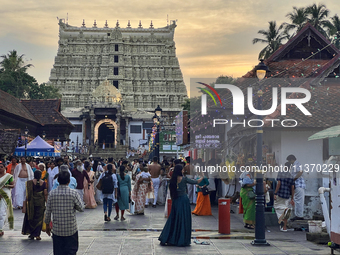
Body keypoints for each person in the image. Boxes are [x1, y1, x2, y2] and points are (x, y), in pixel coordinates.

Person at [158, 164, 203, 247]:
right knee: (183, 219)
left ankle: (168, 238)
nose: (183, 171)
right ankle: (181, 239)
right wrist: (203, 176)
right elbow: (196, 182)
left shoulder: (172, 180)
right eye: (182, 170)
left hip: (176, 200)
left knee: (173, 219)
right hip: (183, 200)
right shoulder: (184, 179)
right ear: (180, 170)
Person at [45, 171, 84, 255]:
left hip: (57, 229)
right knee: (71, 252)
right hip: (71, 229)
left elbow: (47, 212)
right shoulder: (74, 193)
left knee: (58, 252)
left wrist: (47, 225)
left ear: (58, 181)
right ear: (69, 181)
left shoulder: (52, 194)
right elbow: (81, 208)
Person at [22, 170, 48, 240]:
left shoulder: (29, 183)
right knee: (39, 219)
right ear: (40, 176)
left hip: (31, 203)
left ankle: (31, 234)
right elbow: (45, 194)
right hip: (40, 203)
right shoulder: (44, 183)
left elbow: (26, 195)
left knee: (31, 218)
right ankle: (37, 234)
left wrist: (24, 204)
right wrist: (47, 203)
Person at [274, 162, 295, 231]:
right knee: (284, 209)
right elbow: (292, 188)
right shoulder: (291, 176)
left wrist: (275, 193)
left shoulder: (281, 173)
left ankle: (284, 211)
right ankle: (284, 227)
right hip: (287, 195)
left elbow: (279, 183)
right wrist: (292, 198)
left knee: (277, 207)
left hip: (280, 193)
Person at [287, 155, 305, 221]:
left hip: (299, 185)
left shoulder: (296, 164)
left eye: (289, 161)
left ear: (292, 159)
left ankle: (299, 216)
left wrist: (294, 179)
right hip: (297, 185)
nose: (289, 162)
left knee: (299, 201)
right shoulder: (295, 165)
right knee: (297, 201)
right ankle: (298, 215)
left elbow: (300, 172)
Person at [0, 162, 15, 237]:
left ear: (5, 168)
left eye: (1, 167)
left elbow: (13, 185)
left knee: (2, 212)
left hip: (5, 196)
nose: (0, 168)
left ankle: (0, 229)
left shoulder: (8, 176)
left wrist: (6, 185)